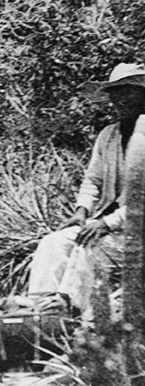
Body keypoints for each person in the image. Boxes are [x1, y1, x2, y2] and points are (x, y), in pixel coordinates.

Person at [27, 62, 145, 316]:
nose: (120, 99)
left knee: (90, 247)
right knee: (53, 243)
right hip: (109, 223)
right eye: (116, 92)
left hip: (136, 231)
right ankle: (37, 309)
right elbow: (93, 179)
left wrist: (106, 224)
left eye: (129, 91)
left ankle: (69, 308)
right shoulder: (109, 135)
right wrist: (82, 211)